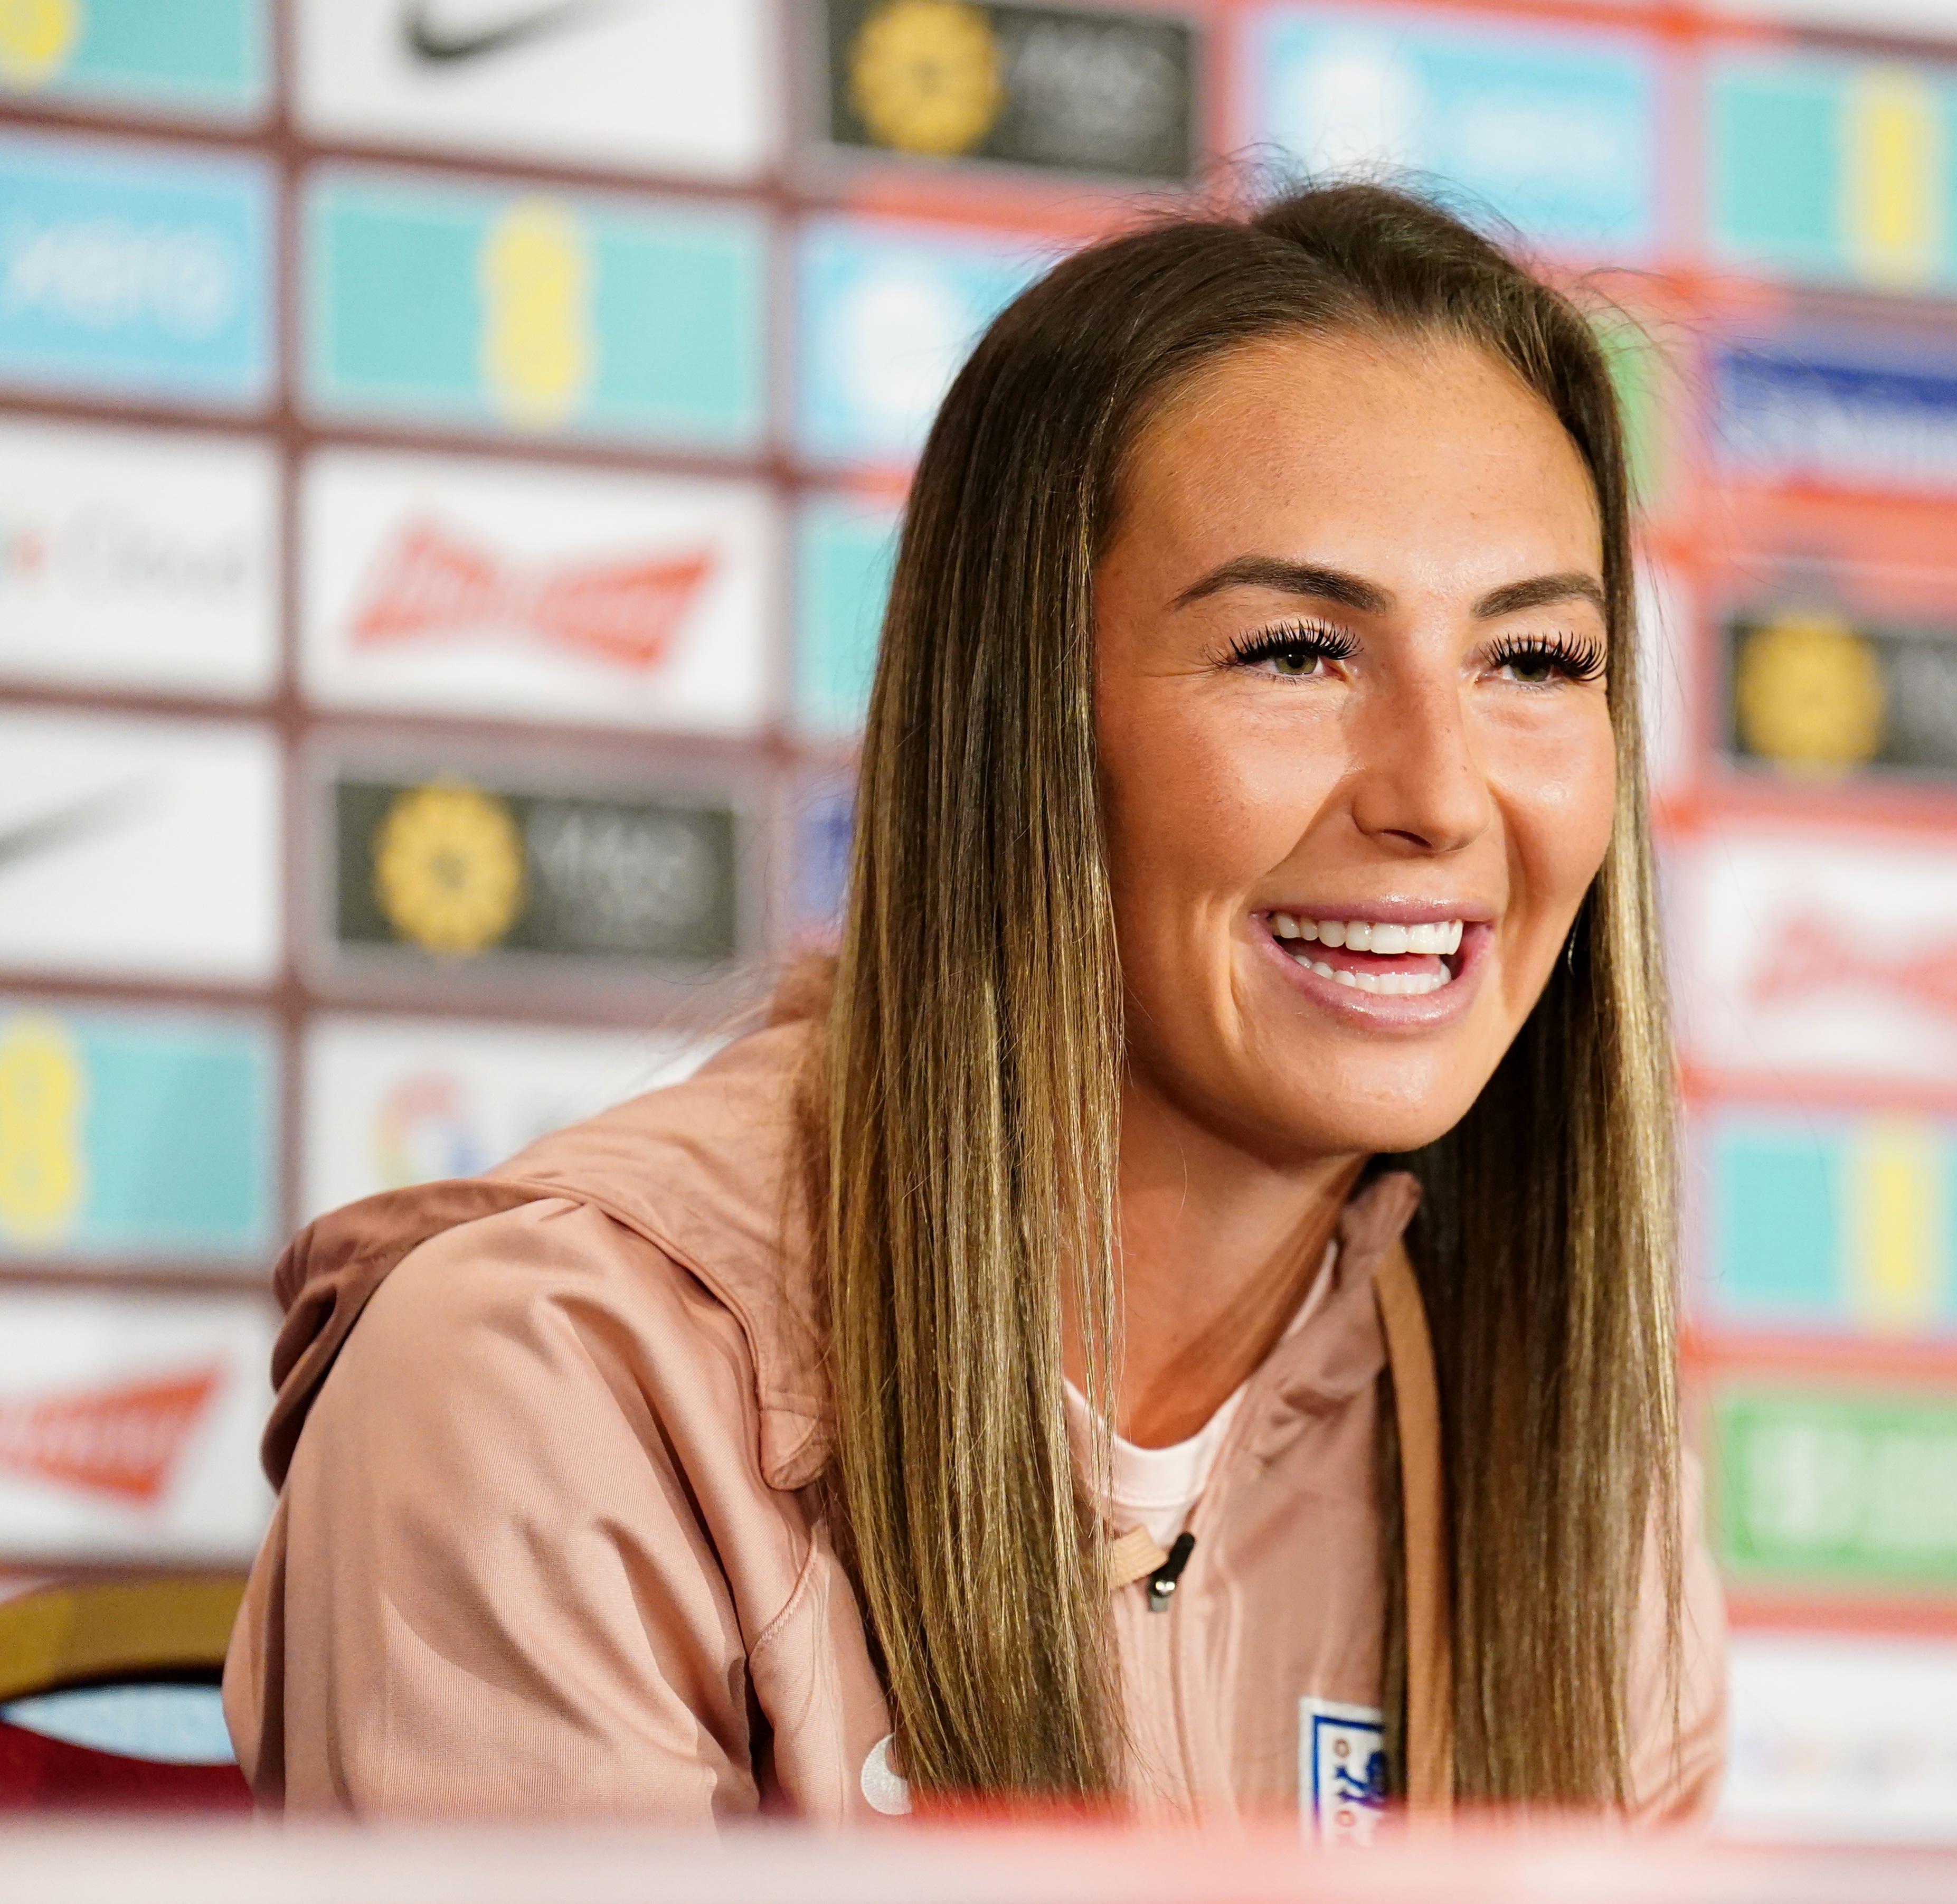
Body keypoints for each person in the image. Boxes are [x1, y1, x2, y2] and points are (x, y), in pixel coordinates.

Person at [224, 182, 1726, 1827]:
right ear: (1016, 720)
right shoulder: (549, 1381)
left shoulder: (1561, 1451)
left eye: (1535, 663)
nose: (1440, 795)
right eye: (1295, 652)